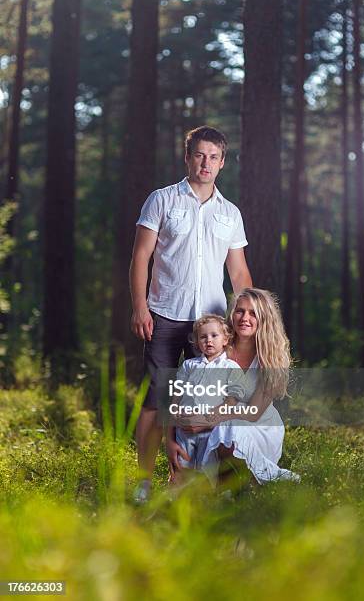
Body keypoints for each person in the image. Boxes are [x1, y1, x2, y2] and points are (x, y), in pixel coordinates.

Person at [130, 126, 252, 502]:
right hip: (165, 316)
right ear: (188, 157)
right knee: (157, 399)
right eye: (200, 155)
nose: (206, 163)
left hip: (213, 323)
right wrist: (139, 306)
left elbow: (239, 272)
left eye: (214, 157)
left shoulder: (230, 213)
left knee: (209, 401)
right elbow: (141, 257)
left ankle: (201, 479)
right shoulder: (162, 200)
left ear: (222, 163)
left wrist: (248, 314)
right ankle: (144, 481)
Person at [169, 288, 299, 485]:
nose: (244, 317)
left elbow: (254, 413)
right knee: (216, 432)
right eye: (240, 311)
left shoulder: (271, 358)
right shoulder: (219, 348)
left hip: (258, 426)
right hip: (215, 417)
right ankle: (225, 488)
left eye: (253, 313)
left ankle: (242, 483)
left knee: (226, 429)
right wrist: (174, 433)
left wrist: (206, 420)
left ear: (264, 318)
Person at [167, 314, 244, 484]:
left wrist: (208, 418)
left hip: (210, 430)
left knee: (207, 469)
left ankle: (206, 499)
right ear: (196, 342)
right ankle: (174, 499)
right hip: (184, 428)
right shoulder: (189, 365)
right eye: (203, 337)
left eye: (214, 335)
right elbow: (177, 392)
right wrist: (175, 413)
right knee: (181, 466)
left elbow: (232, 400)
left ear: (225, 339)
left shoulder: (230, 367)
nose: (208, 340)